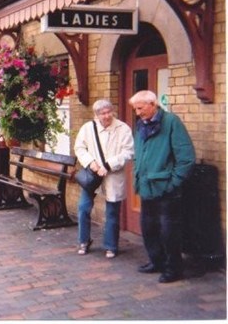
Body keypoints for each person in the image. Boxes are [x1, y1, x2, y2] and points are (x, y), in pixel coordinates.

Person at [129, 90, 195, 283]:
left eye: (140, 108)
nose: (137, 113)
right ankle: (156, 262)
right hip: (147, 187)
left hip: (166, 189)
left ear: (153, 104)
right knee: (148, 228)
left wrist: (173, 183)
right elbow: (139, 153)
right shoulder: (141, 125)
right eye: (135, 109)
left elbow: (186, 158)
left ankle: (173, 269)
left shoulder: (171, 122)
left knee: (169, 232)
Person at [74, 99, 134, 258]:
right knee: (83, 208)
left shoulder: (123, 128)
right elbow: (79, 147)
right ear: (96, 115)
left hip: (113, 175)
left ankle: (111, 245)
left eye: (109, 112)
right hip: (92, 175)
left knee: (112, 212)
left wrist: (108, 165)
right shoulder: (88, 128)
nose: (107, 116)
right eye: (103, 113)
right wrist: (91, 163)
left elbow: (128, 152)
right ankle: (83, 241)